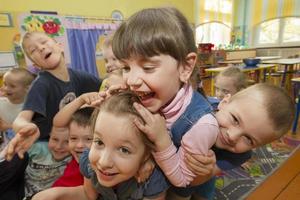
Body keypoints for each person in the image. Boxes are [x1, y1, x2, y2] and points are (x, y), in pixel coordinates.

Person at [111, 6, 216, 200]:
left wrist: (161, 141)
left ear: (185, 67)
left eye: (148, 67)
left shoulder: (201, 124)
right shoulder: (145, 93)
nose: (132, 80)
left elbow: (183, 180)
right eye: (126, 67)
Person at [134, 83, 294, 199]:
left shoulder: (239, 155)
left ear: (258, 146)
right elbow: (153, 125)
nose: (232, 136)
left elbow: (191, 181)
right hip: (171, 149)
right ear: (224, 103)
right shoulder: (196, 110)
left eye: (249, 139)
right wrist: (147, 157)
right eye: (235, 120)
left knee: (190, 192)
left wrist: (205, 171)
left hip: (197, 173)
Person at [31, 91, 168, 200]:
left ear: (146, 155)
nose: (103, 162)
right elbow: (88, 194)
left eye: (124, 150)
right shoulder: (88, 161)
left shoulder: (153, 178)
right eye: (99, 142)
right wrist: (56, 194)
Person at [5, 31, 101, 161]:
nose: (40, 48)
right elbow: (20, 119)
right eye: (33, 50)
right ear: (36, 65)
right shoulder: (42, 83)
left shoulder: (79, 76)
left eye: (43, 42)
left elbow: (104, 84)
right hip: (46, 147)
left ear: (60, 46)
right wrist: (25, 127)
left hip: (71, 145)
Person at [0, 68, 35, 200]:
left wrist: (6, 126)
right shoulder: (1, 104)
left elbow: (31, 129)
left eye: (12, 86)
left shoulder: (31, 107)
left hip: (26, 152)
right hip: (6, 151)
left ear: (27, 89)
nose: (6, 88)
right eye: (4, 84)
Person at [52, 101, 95, 187]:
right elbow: (58, 122)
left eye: (88, 139)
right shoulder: (75, 160)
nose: (79, 145)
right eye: (73, 138)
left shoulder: (96, 170)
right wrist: (81, 99)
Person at [24, 126, 71, 199]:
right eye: (55, 139)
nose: (59, 146)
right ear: (49, 136)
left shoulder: (72, 160)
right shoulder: (37, 148)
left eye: (67, 142)